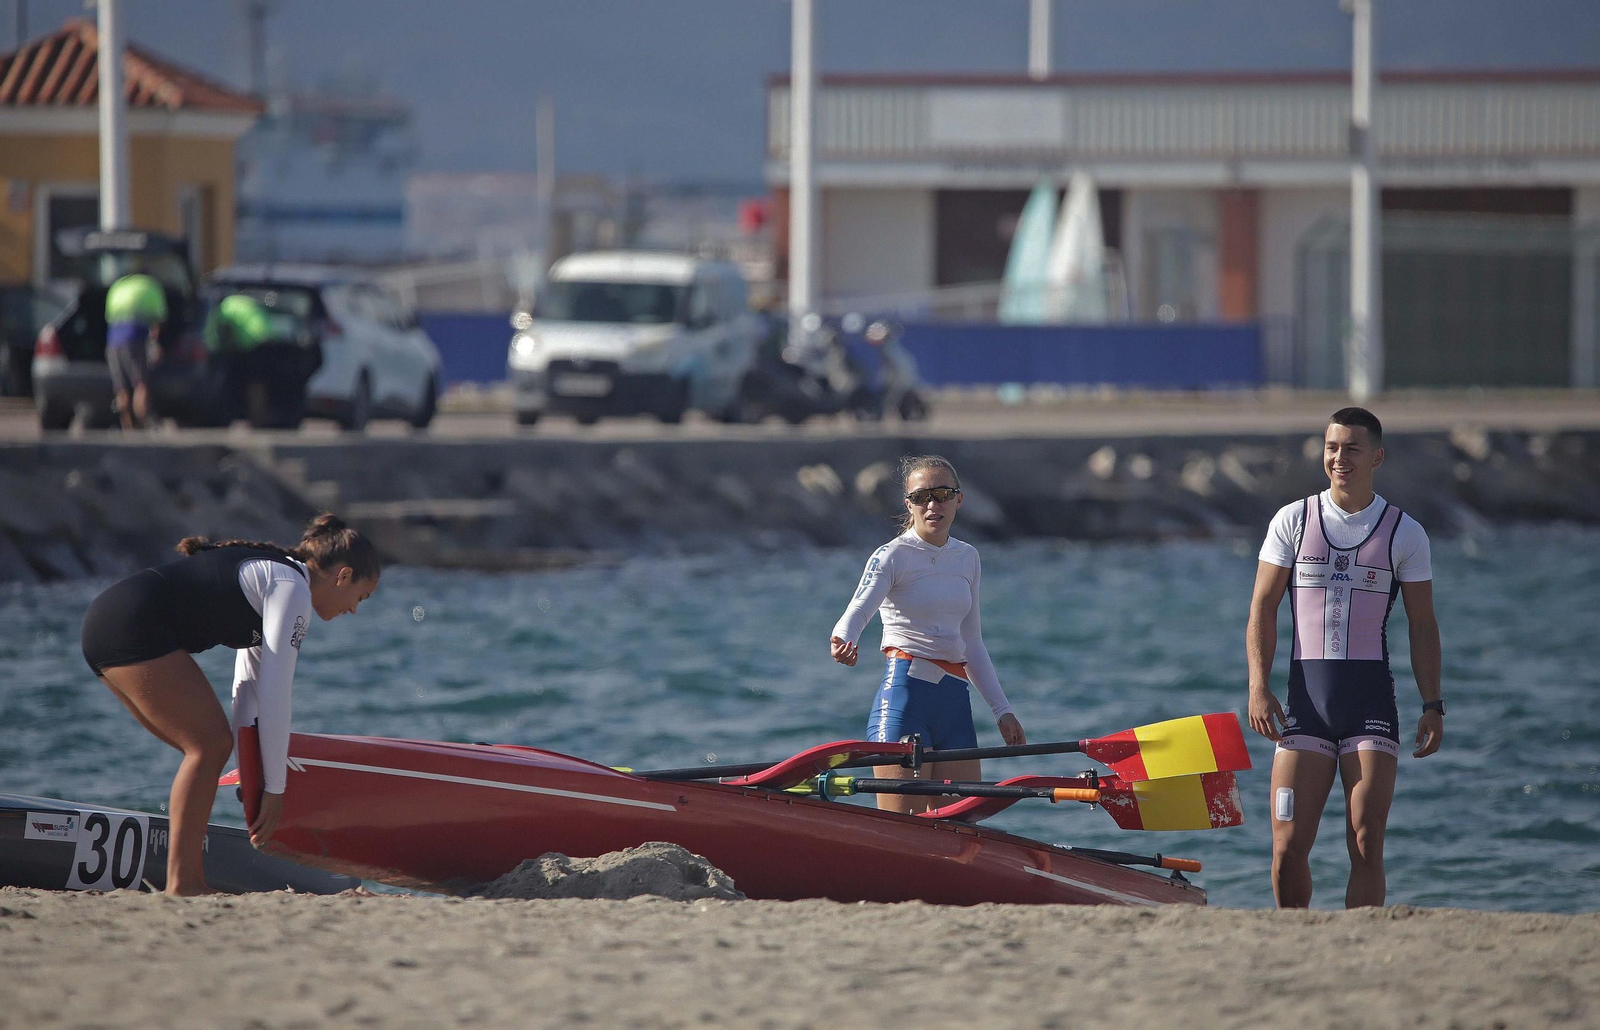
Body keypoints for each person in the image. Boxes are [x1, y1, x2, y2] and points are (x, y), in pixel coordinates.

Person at [80, 514, 380, 895]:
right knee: (207, 747)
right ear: (342, 576)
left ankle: (184, 877)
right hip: (130, 625)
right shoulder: (293, 590)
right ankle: (184, 883)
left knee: (204, 750)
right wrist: (274, 787)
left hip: (107, 623)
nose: (354, 609)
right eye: (361, 596)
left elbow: (248, 690)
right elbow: (275, 693)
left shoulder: (276, 580)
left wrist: (252, 777)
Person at [1246, 407, 1443, 908]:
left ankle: (1364, 947)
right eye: (1332, 448)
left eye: (1352, 449)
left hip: (1370, 706)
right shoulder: (1294, 520)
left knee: (1365, 840)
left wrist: (1433, 704)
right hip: (1303, 708)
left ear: (1376, 457)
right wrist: (1258, 686)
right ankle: (1296, 945)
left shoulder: (1404, 532)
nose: (1339, 458)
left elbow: (1422, 625)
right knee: (1287, 848)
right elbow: (1263, 607)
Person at [830, 455, 1026, 814]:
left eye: (942, 494)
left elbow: (972, 642)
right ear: (909, 504)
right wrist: (844, 638)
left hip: (955, 702)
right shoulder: (891, 556)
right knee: (903, 829)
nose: (933, 504)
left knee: (962, 828)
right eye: (922, 497)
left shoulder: (968, 558)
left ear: (958, 500)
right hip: (906, 702)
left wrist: (1002, 710)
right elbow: (858, 609)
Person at [104, 271, 168, 429]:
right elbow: (157, 323)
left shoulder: (118, 287)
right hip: (134, 339)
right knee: (141, 384)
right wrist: (156, 346)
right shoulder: (150, 287)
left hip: (113, 340)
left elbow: (108, 317)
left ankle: (127, 427)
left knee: (121, 388)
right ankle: (143, 422)